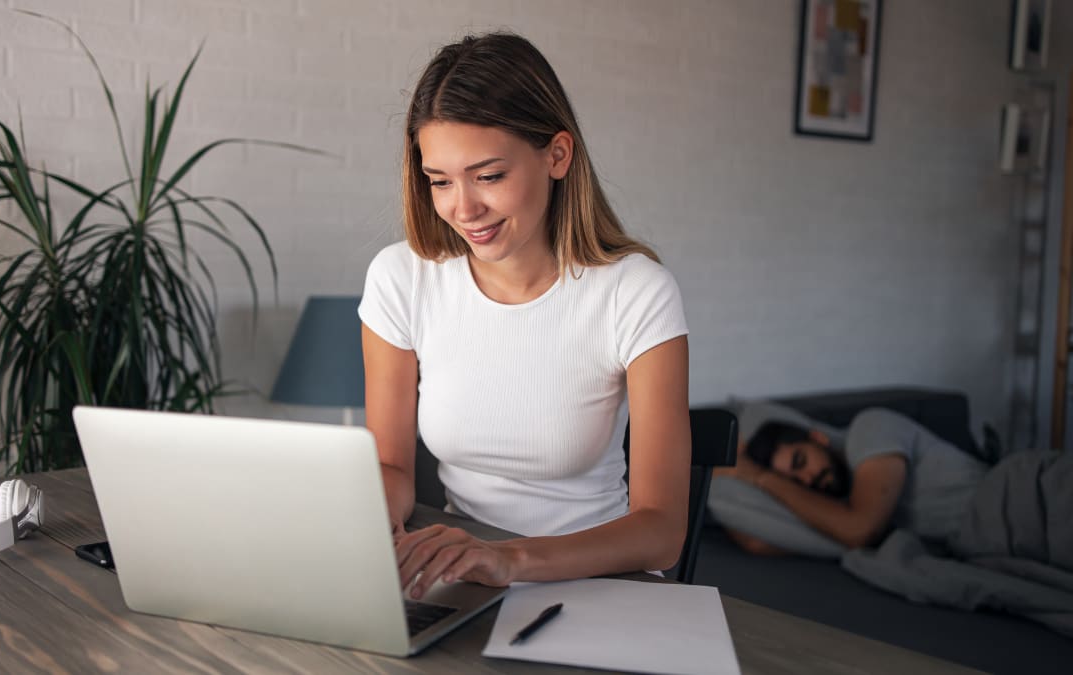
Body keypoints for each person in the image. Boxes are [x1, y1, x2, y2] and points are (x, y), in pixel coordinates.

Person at [358, 33, 691, 600]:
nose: (463, 209)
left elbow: (661, 531)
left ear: (557, 155)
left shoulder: (636, 292)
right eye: (440, 181)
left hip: (602, 583)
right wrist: (360, 524)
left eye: (488, 176)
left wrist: (507, 559)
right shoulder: (402, 278)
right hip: (466, 579)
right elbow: (390, 469)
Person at [716, 407, 989, 554]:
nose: (808, 479)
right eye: (795, 481)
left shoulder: (869, 428)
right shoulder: (839, 503)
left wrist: (759, 477)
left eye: (800, 461)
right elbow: (758, 543)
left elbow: (859, 530)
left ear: (817, 437)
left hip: (1008, 494)